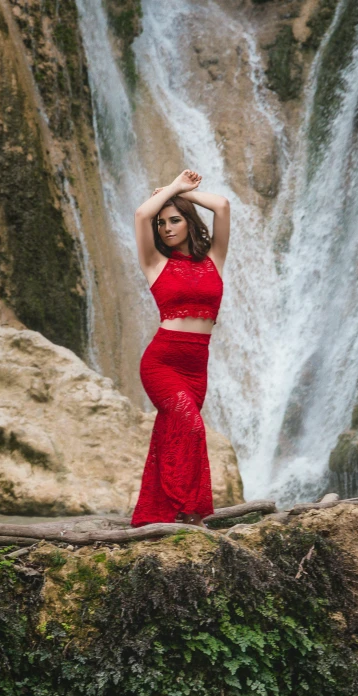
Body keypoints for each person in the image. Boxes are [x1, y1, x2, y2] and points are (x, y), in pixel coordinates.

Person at [131, 169, 230, 528]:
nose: (167, 228)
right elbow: (142, 214)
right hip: (162, 363)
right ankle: (191, 511)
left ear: (189, 222)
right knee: (191, 428)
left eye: (175, 221)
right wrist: (171, 187)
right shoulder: (155, 264)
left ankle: (165, 513)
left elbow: (221, 205)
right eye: (162, 224)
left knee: (172, 436)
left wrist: (184, 194)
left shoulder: (214, 259)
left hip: (196, 368)